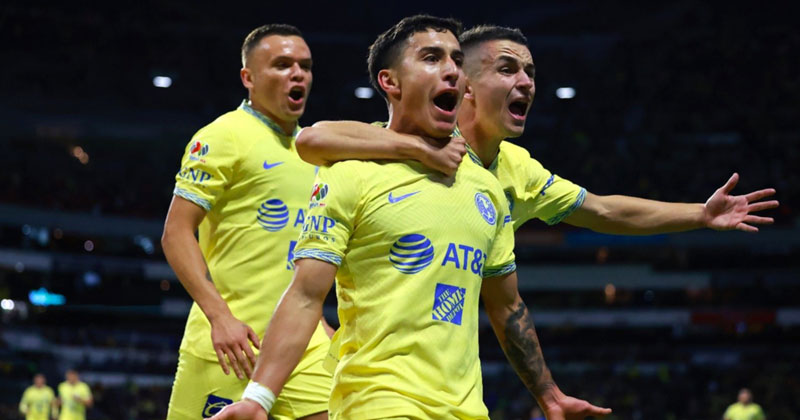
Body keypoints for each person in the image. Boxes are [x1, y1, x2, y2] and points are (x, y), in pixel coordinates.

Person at [208, 14, 610, 420]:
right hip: (377, 403)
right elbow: (305, 295)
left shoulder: (487, 188)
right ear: (390, 82)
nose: (452, 70)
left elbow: (507, 307)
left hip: (468, 410)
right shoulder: (351, 172)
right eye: (432, 58)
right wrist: (258, 398)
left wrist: (549, 396)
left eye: (457, 60)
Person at [295, 25, 778, 236]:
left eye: (530, 72)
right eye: (508, 69)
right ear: (464, 84)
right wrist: (418, 151)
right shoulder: (418, 139)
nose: (526, 82)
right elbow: (314, 138)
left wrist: (699, 214)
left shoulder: (517, 169)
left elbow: (604, 210)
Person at [161, 24, 332, 420]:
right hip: (234, 344)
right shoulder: (224, 136)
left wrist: (320, 321)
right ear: (248, 77)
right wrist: (220, 318)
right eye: (282, 65)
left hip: (303, 344)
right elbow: (176, 232)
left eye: (305, 66)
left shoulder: (315, 151)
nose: (298, 74)